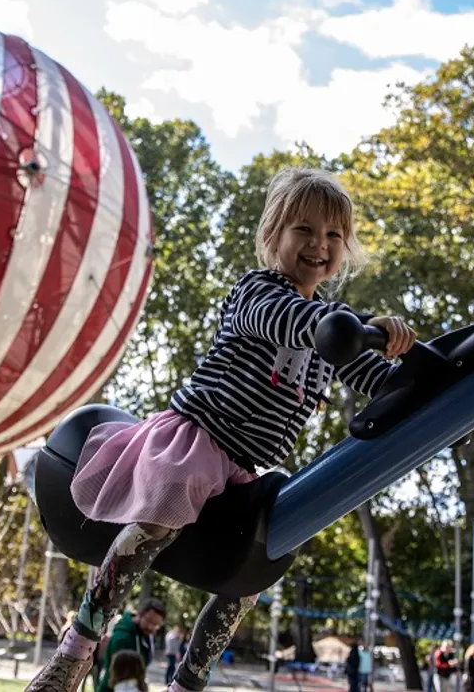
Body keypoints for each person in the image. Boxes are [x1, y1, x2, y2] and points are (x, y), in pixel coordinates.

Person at [26, 167, 416, 692]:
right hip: (198, 438)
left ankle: (190, 679)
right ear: (273, 235)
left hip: (245, 467)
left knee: (257, 564)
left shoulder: (333, 325)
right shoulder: (258, 292)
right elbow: (283, 322)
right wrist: (348, 330)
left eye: (333, 236)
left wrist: (404, 360)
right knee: (164, 506)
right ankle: (73, 655)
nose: (318, 245)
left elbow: (377, 380)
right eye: (304, 230)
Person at [97, 598, 166, 692]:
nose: (151, 627)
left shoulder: (144, 634)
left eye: (156, 625)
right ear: (140, 614)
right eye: (149, 621)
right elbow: (121, 678)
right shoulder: (122, 639)